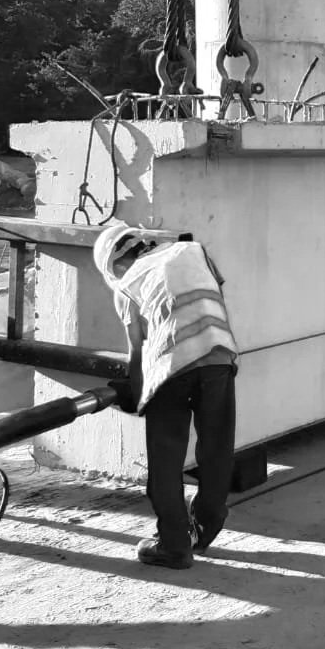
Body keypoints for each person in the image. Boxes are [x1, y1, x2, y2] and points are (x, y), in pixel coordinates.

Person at [95, 223, 237, 570]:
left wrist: (138, 397)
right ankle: (205, 527)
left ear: (117, 263)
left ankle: (174, 546)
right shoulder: (194, 251)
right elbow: (215, 294)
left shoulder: (128, 285)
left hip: (170, 370)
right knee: (216, 451)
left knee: (166, 462)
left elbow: (137, 352)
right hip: (219, 357)